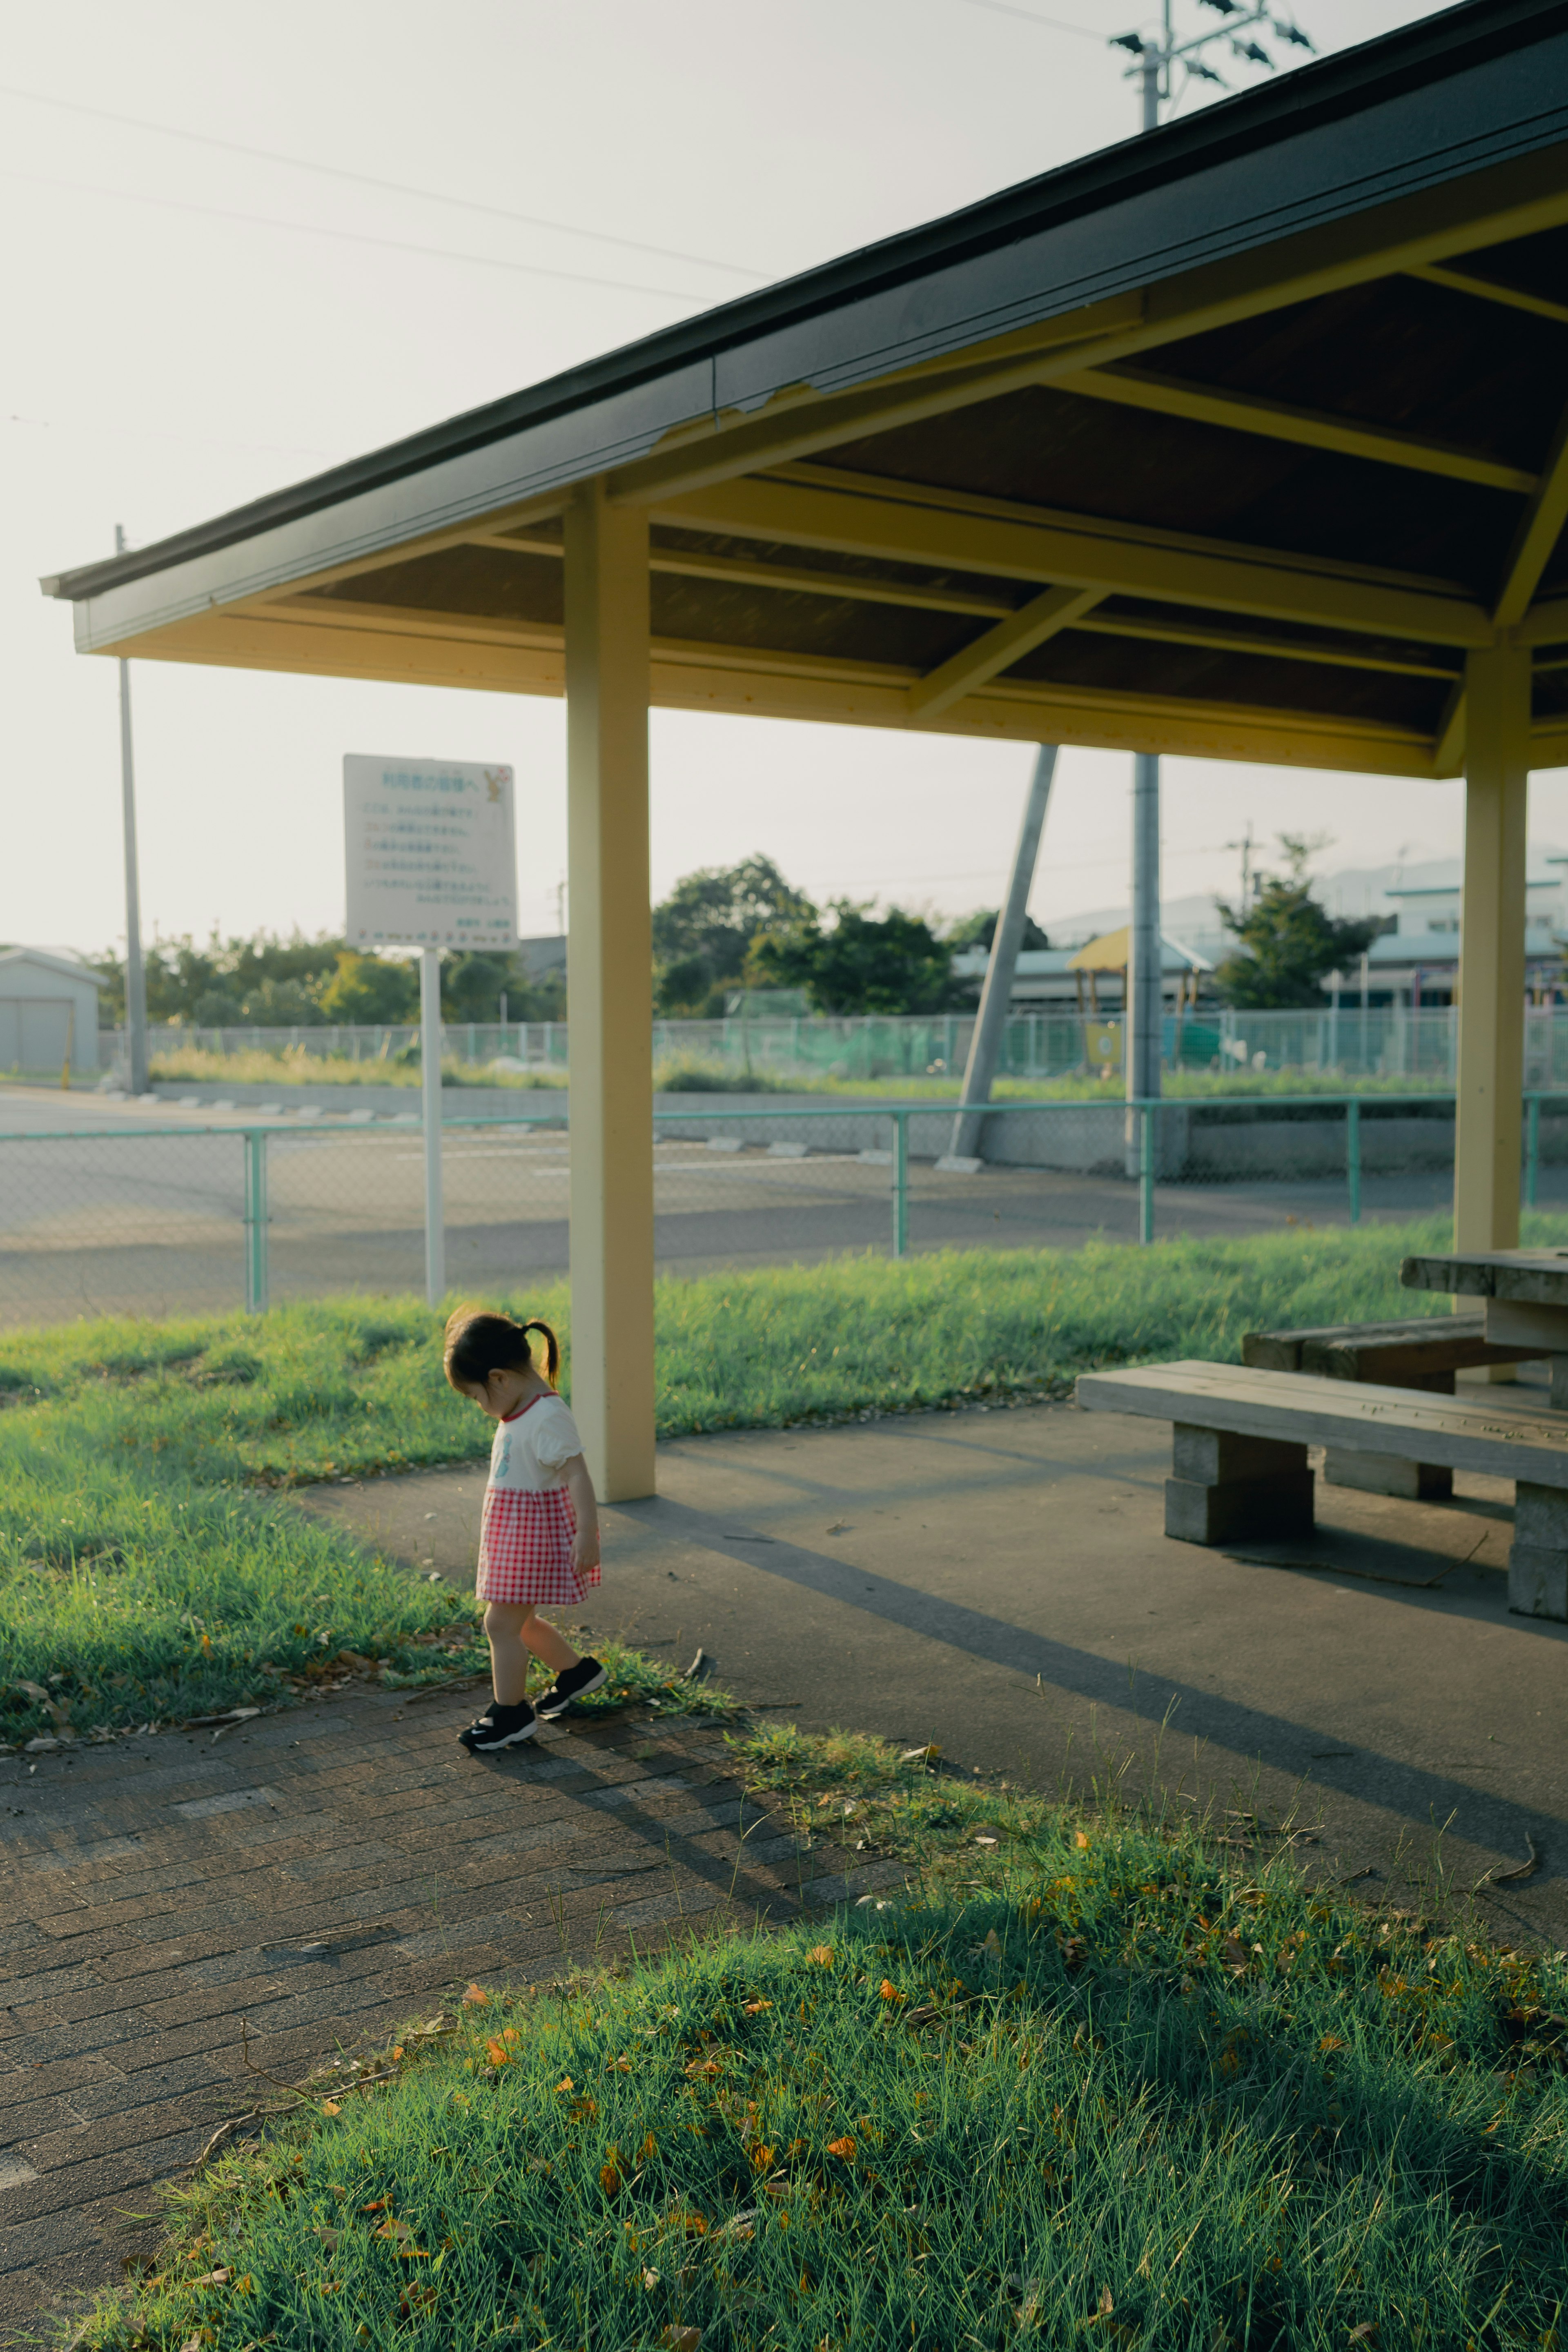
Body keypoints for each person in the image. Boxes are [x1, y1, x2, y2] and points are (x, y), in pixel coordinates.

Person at [443, 1306, 606, 1753]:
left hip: (531, 1537)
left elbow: (578, 1475)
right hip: (515, 1535)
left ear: (499, 1379)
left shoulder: (547, 1415)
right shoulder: (520, 1410)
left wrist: (587, 1534)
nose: (481, 1408)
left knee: (500, 1624)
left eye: (477, 1397)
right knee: (522, 1623)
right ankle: (577, 1673)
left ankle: (511, 1714)